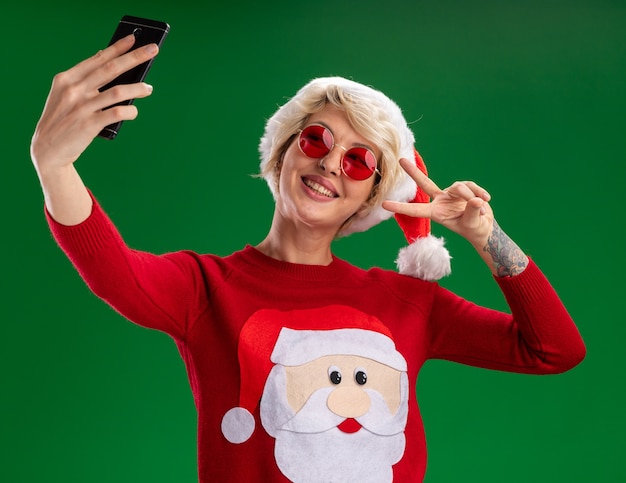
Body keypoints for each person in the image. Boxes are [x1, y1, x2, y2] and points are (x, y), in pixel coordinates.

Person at [31, 35, 586, 483]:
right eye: (318, 140)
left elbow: (554, 350)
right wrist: (55, 167)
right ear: (283, 150)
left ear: (372, 196)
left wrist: (484, 235)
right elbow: (116, 274)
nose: (331, 166)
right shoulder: (205, 286)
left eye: (360, 160)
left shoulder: (406, 302)